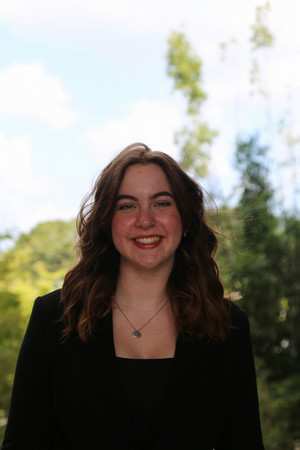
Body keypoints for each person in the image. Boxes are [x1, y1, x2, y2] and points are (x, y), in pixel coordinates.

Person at [1, 143, 265, 450]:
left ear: (186, 217)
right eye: (127, 206)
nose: (145, 220)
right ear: (106, 221)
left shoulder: (228, 326)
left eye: (162, 203)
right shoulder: (54, 317)